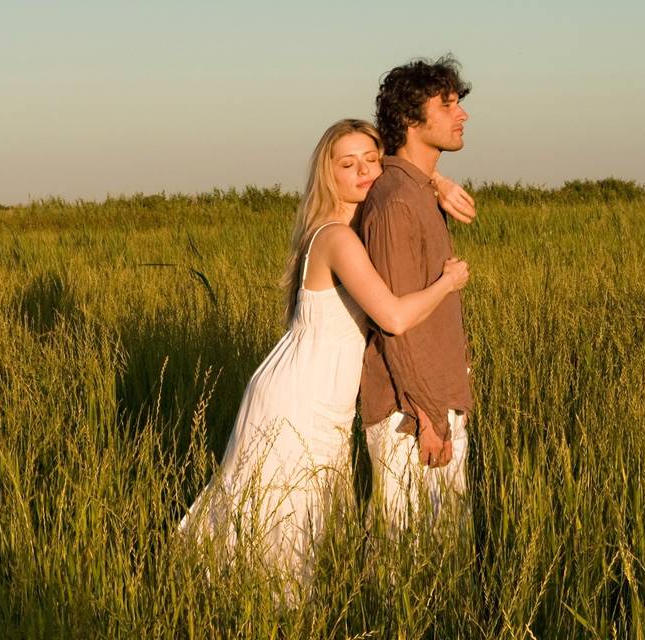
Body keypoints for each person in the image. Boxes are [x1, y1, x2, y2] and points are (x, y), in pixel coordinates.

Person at [180, 119, 469, 581]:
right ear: (327, 174)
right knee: (280, 523)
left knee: (298, 523)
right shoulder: (338, 237)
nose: (364, 172)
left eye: (371, 161)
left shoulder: (353, 225)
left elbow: (402, 172)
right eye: (348, 164)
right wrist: (446, 283)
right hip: (300, 397)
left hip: (319, 393)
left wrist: (435, 179)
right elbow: (393, 317)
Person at [358, 55, 475, 530]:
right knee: (407, 567)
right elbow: (395, 322)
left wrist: (437, 182)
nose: (462, 114)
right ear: (410, 118)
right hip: (411, 417)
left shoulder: (417, 190)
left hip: (431, 403)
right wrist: (427, 415)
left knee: (442, 561)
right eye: (447, 105)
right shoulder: (396, 203)